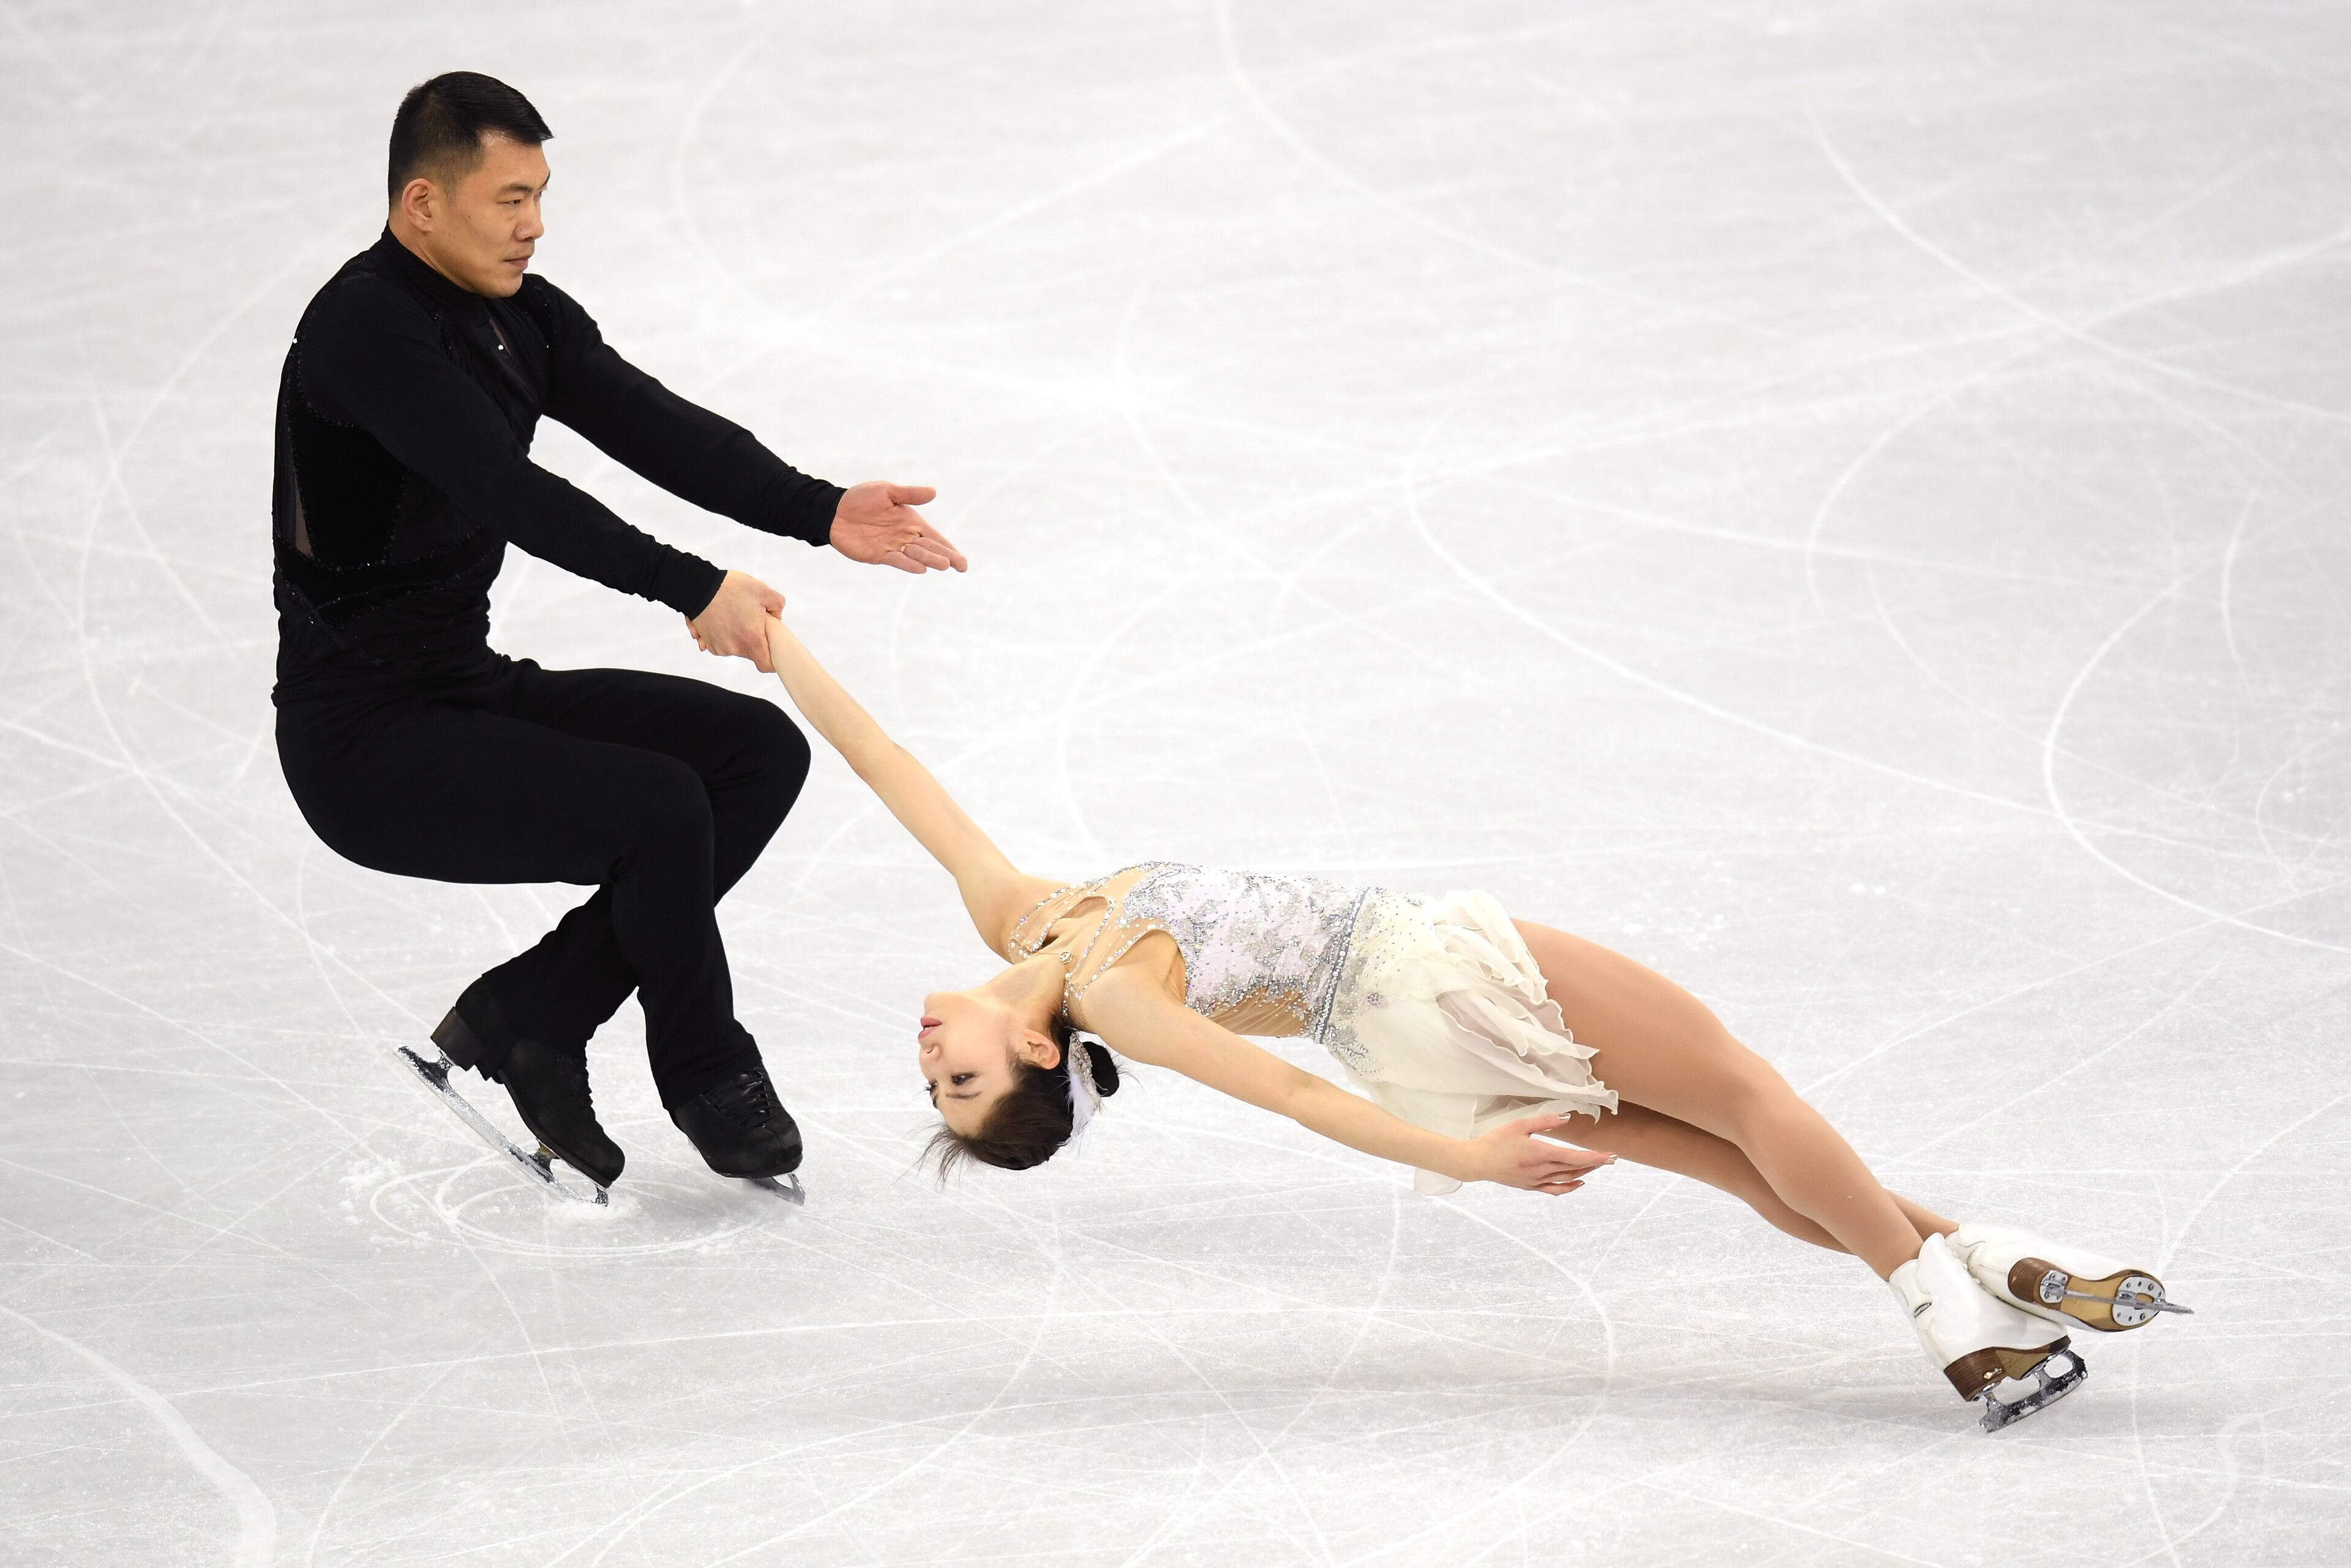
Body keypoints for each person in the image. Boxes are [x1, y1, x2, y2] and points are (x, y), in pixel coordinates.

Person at [738, 611, 2192, 1430]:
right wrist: (1485, 1165)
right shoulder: (1122, 992)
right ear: (1044, 1056)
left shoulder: (1026, 921)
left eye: (937, 1083)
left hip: (1416, 1039)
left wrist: (765, 637)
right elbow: (1298, 1104)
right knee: (1749, 1096)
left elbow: (889, 761)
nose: (931, 1064)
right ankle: (1958, 1328)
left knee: (1740, 1165)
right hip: (1433, 980)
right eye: (963, 1089)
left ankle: (1986, 1263)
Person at [271, 72, 965, 1190]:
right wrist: (691, 586)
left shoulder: (520, 317)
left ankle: (537, 1012)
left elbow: (655, 426)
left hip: (465, 690)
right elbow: (507, 491)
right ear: (421, 206)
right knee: (657, 806)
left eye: (540, 195)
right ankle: (702, 1067)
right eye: (508, 200)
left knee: (753, 754)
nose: (534, 225)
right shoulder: (362, 330)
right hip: (363, 743)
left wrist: (818, 508)